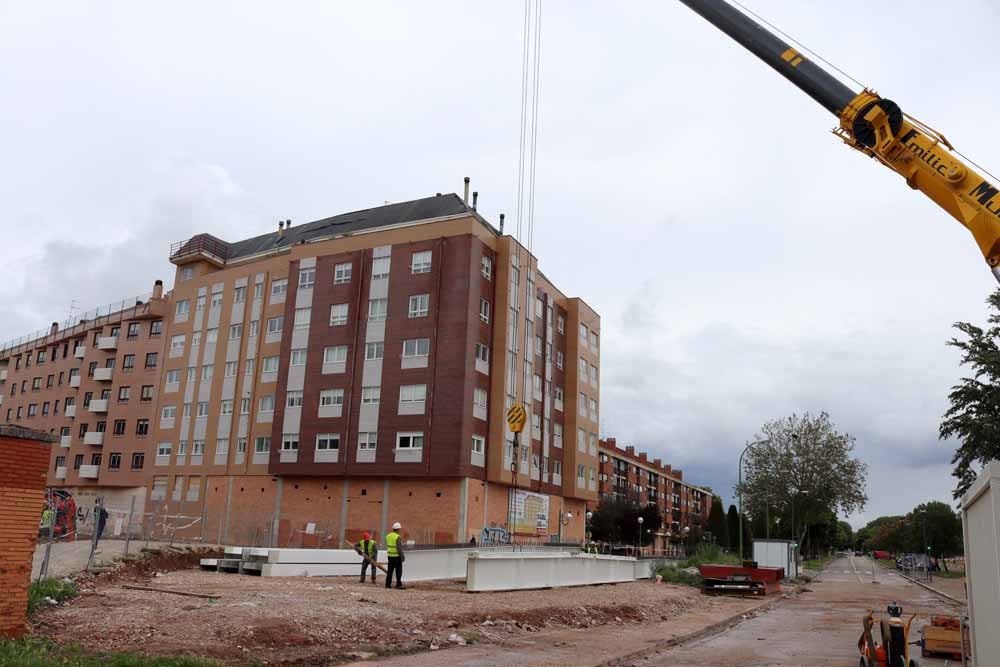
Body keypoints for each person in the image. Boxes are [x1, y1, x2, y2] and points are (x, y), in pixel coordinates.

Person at [385, 521, 405, 589]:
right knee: (398, 571)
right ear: (398, 529)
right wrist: (402, 556)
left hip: (390, 556)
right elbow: (399, 548)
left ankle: (387, 584)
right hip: (397, 557)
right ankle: (398, 584)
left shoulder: (388, 536)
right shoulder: (397, 537)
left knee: (390, 571)